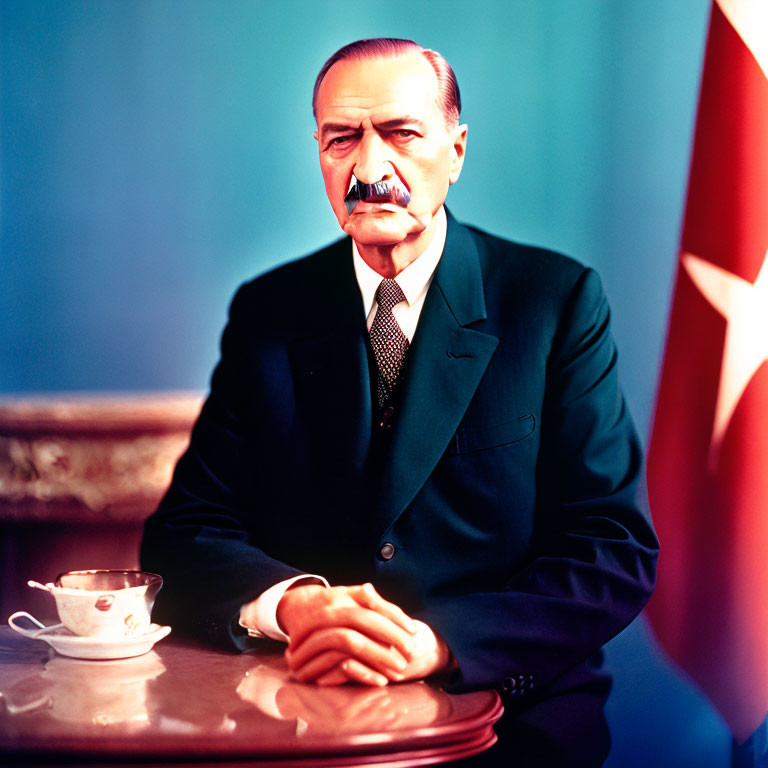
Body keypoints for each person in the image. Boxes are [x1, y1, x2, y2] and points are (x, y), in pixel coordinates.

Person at [141, 38, 658, 767]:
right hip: (301, 714)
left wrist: (440, 639)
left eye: (402, 134)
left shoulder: (556, 302)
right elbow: (183, 535)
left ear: (456, 149)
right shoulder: (269, 311)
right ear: (318, 151)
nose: (370, 168)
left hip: (511, 722)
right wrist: (294, 605)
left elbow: (611, 551)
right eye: (342, 139)